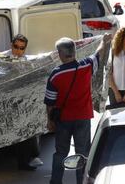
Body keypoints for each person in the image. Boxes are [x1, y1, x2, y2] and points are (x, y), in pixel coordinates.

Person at [45, 34, 112, 184]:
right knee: (82, 154)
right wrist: (104, 41)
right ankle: (81, 181)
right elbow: (98, 54)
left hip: (63, 119)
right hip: (83, 118)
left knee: (60, 153)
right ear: (74, 52)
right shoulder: (86, 66)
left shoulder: (55, 75)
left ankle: (56, 181)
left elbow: (50, 102)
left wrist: (50, 121)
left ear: (60, 54)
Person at [1, 34, 44, 170]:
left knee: (24, 135)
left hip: (21, 103)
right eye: (16, 47)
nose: (18, 51)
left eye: (21, 48)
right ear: (11, 45)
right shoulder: (1, 58)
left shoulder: (27, 61)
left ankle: (23, 162)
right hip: (4, 102)